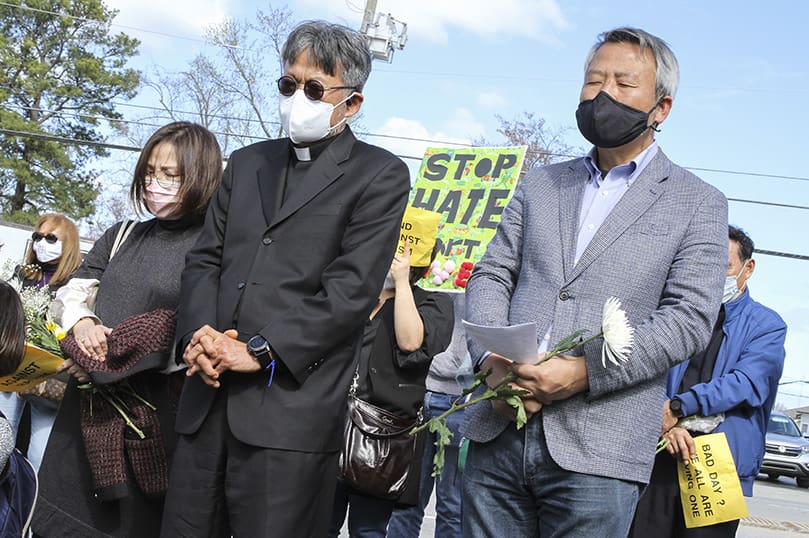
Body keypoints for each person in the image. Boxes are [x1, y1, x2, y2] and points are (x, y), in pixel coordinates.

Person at [461, 27, 729, 537]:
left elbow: (688, 319)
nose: (603, 94)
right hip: (499, 424)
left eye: (623, 84)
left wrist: (584, 371)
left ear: (662, 107)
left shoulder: (697, 202)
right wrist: (491, 362)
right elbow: (492, 271)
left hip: (600, 447)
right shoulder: (541, 182)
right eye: (593, 80)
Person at [160, 20, 411, 538]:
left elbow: (350, 290)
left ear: (352, 103)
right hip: (204, 402)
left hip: (288, 417)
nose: (298, 97)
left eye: (315, 88)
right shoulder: (249, 163)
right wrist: (199, 338)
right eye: (289, 84)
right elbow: (205, 260)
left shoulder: (380, 175)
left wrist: (258, 349)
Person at [31, 122, 223, 537]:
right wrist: (82, 325)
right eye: (151, 171)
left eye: (171, 174)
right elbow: (74, 291)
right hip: (80, 418)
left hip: (149, 424)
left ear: (201, 175)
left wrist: (105, 365)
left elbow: (187, 329)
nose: (156, 183)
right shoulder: (121, 235)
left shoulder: (213, 249)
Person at [629, 226, 787, 537]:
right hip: (659, 454)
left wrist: (677, 407)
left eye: (725, 266)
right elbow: (646, 372)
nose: (716, 277)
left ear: (748, 267)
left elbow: (746, 383)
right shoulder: (675, 316)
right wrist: (667, 423)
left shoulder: (767, 325)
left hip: (717, 468)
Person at [328, 243, 454, 537]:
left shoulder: (434, 304)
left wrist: (401, 282)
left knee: (367, 529)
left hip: (382, 440)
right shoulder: (356, 295)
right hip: (332, 427)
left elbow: (411, 343)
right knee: (318, 523)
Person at [0, 213, 82, 470]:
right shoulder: (22, 275)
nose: (42, 243)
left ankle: (26, 502)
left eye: (51, 238)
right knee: (3, 435)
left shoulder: (76, 286)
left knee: (39, 453)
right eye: (37, 236)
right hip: (12, 370)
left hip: (48, 378)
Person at [387, 292, 468, 538]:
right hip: (417, 390)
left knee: (452, 505)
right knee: (405, 500)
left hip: (461, 399)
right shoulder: (427, 273)